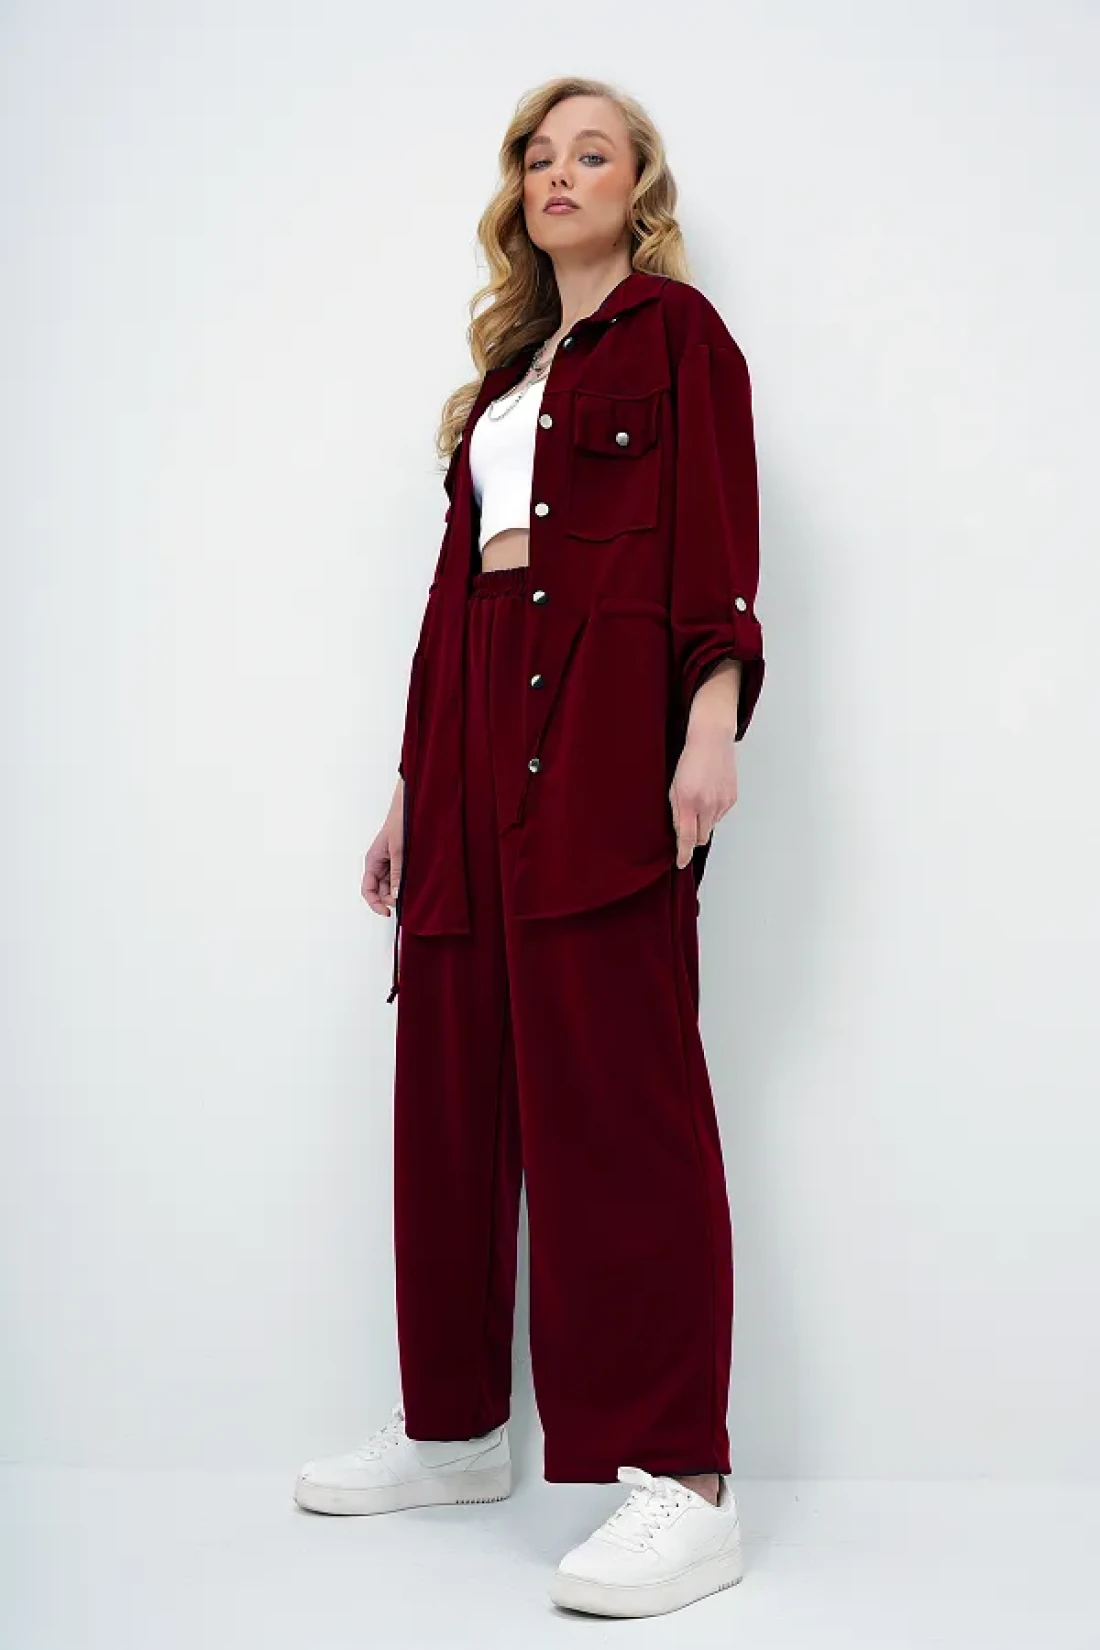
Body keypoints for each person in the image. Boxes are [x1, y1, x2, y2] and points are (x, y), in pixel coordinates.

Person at [294, 75, 766, 1620]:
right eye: (539, 156)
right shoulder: (503, 381)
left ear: (639, 188)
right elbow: (452, 606)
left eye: (593, 152)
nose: (560, 173)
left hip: (608, 720)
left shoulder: (679, 338)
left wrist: (710, 723)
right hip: (469, 730)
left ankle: (686, 1481)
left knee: (618, 1095)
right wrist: (408, 788)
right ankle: (454, 1429)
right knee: (447, 1080)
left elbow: (715, 540)